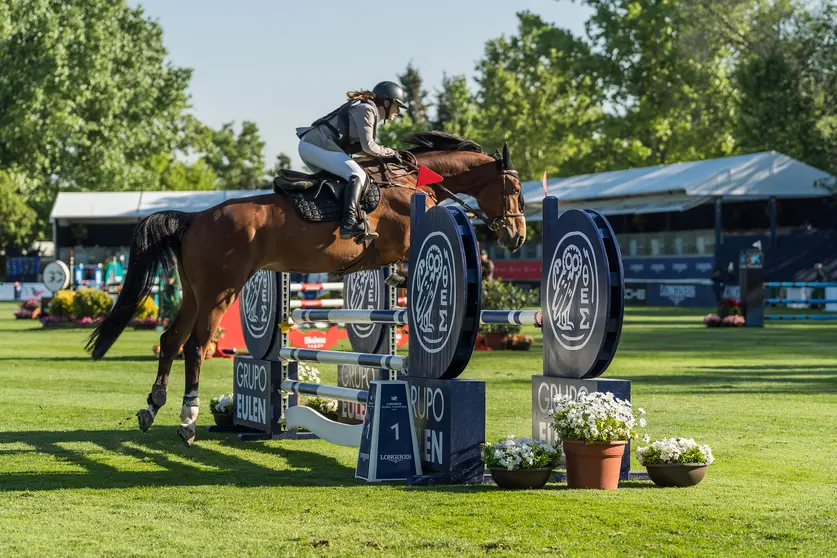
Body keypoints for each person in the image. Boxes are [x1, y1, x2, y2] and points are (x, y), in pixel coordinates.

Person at [296, 81, 407, 242]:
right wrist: (390, 152)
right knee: (358, 174)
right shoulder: (367, 109)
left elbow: (362, 148)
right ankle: (349, 223)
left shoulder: (367, 109)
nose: (397, 113)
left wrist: (385, 154)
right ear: (387, 102)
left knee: (344, 180)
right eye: (397, 107)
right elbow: (369, 147)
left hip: (312, 146)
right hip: (315, 145)